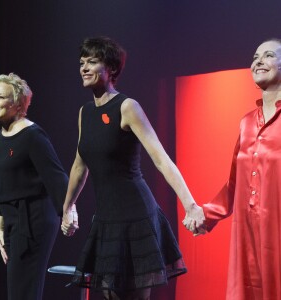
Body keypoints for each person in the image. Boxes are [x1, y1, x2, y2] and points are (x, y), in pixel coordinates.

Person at [61, 36, 205, 300]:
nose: (83, 68)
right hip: (107, 219)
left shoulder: (127, 107)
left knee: (131, 296)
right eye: (81, 62)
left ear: (111, 69)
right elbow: (80, 165)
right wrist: (68, 206)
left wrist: (191, 205)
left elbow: (161, 159)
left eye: (92, 62)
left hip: (135, 216)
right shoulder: (85, 113)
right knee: (108, 294)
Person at [184, 38, 281, 300]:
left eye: (269, 55)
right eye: (255, 56)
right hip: (247, 234)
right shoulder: (247, 122)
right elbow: (234, 182)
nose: (258, 61)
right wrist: (206, 214)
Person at [0, 73, 69, 300]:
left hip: (34, 220)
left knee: (23, 289)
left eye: (0, 97)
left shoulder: (33, 135)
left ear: (17, 104)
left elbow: (56, 176)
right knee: (17, 289)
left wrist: (69, 212)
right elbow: (3, 184)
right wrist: (0, 220)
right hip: (12, 218)